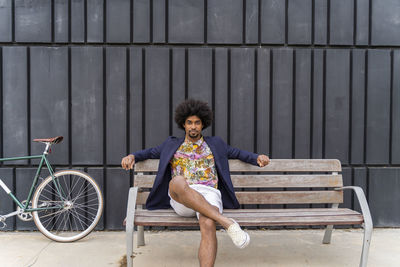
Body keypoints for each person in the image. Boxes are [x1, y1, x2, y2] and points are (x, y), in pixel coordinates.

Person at [121, 99, 270, 267]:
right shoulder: (171, 144)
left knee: (208, 224)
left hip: (209, 194)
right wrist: (132, 156)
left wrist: (257, 158)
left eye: (197, 123)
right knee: (177, 181)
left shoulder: (216, 144)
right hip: (181, 197)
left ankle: (217, 224)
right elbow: (149, 152)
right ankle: (227, 222)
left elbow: (238, 152)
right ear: (183, 124)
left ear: (203, 124)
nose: (193, 127)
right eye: (189, 123)